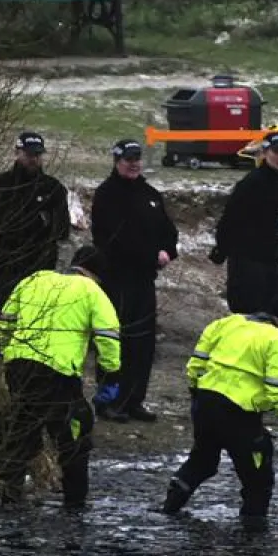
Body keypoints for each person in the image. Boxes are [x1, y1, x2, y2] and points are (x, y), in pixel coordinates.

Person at [159, 285, 278, 532]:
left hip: (205, 403)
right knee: (258, 478)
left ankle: (168, 508)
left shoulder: (227, 323)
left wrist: (196, 395)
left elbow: (195, 364)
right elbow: (277, 386)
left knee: (202, 461)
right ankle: (252, 539)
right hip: (239, 414)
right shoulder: (276, 339)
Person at [0, 245, 121, 508]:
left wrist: (9, 354)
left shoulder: (34, 280)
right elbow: (108, 337)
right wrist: (110, 374)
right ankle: (75, 502)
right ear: (96, 275)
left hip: (19, 366)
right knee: (73, 432)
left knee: (22, 426)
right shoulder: (91, 291)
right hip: (58, 372)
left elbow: (5, 320)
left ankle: (9, 492)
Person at [88, 138, 179, 423]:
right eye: (128, 160)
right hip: (117, 279)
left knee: (143, 344)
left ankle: (134, 399)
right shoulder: (107, 195)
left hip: (144, 280)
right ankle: (109, 400)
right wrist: (151, 255)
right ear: (117, 161)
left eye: (137, 159)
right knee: (117, 342)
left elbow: (168, 230)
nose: (133, 164)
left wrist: (167, 251)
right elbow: (114, 239)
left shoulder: (149, 194)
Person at [0, 130, 71, 353]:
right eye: (29, 154)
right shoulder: (0, 185)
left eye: (38, 155)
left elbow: (61, 230)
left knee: (36, 323)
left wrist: (37, 225)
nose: (34, 159)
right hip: (5, 267)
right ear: (17, 153)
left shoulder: (53, 188)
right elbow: (1, 224)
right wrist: (38, 221)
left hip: (40, 269)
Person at [208, 129, 278, 314]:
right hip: (246, 259)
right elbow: (230, 218)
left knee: (271, 311)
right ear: (264, 153)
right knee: (247, 311)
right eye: (277, 152)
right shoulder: (252, 183)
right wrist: (222, 249)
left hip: (269, 259)